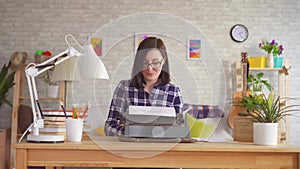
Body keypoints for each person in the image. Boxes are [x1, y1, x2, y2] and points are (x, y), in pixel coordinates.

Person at [105, 37, 183, 136]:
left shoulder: (174, 92)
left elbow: (179, 128)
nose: (149, 69)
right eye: (144, 62)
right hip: (131, 148)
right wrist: (132, 133)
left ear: (164, 61)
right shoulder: (124, 87)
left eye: (155, 63)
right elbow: (110, 126)